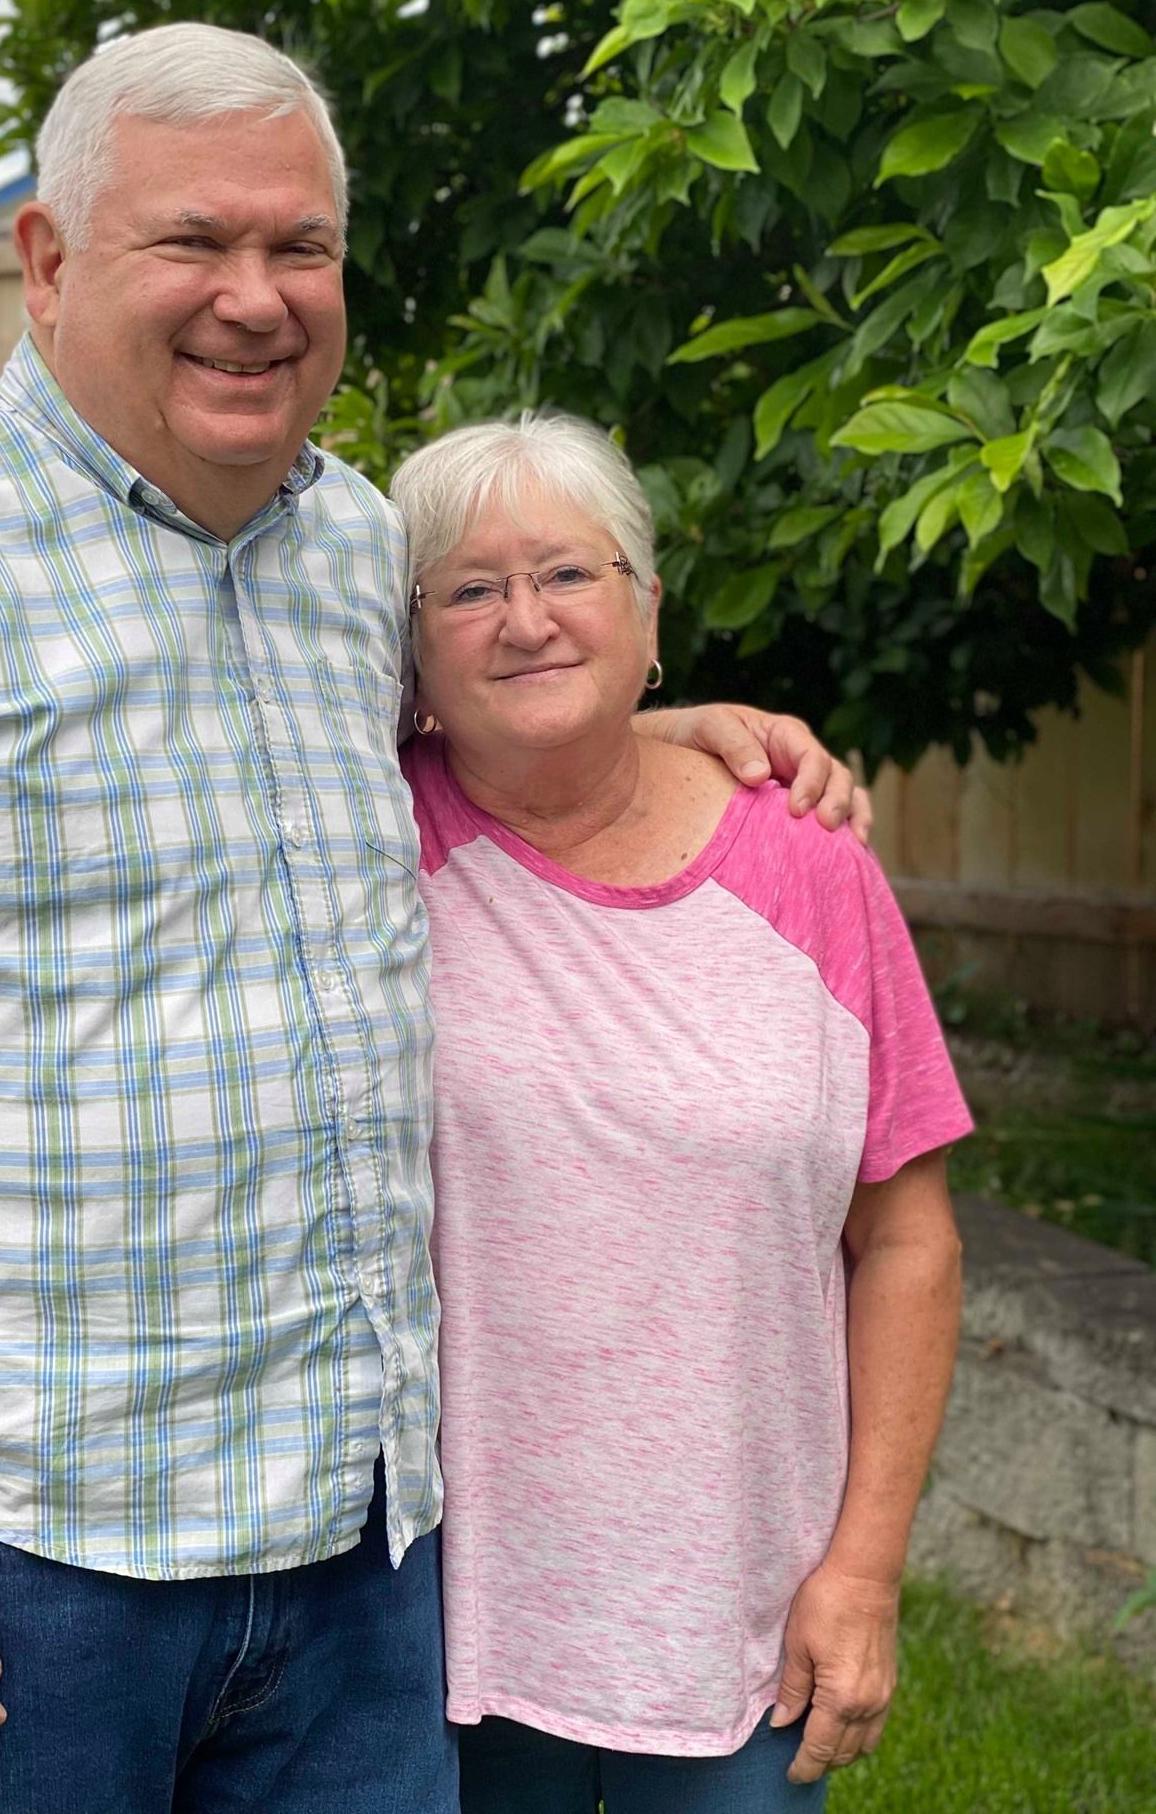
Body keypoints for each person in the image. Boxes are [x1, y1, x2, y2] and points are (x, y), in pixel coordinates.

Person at [0, 25, 864, 1814]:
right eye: (193, 244)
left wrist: (647, 727)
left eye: (301, 250)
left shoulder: (352, 550)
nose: (255, 299)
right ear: (48, 262)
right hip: (20, 1560)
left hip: (355, 1557)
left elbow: (454, 749)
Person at [388, 412, 970, 1814]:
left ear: (651, 612)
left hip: (741, 1621)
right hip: (436, 1624)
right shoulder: (370, 840)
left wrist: (866, 1569)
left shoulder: (811, 867)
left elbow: (908, 1244)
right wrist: (639, 719)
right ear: (409, 656)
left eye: (571, 576)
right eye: (468, 589)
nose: (525, 620)